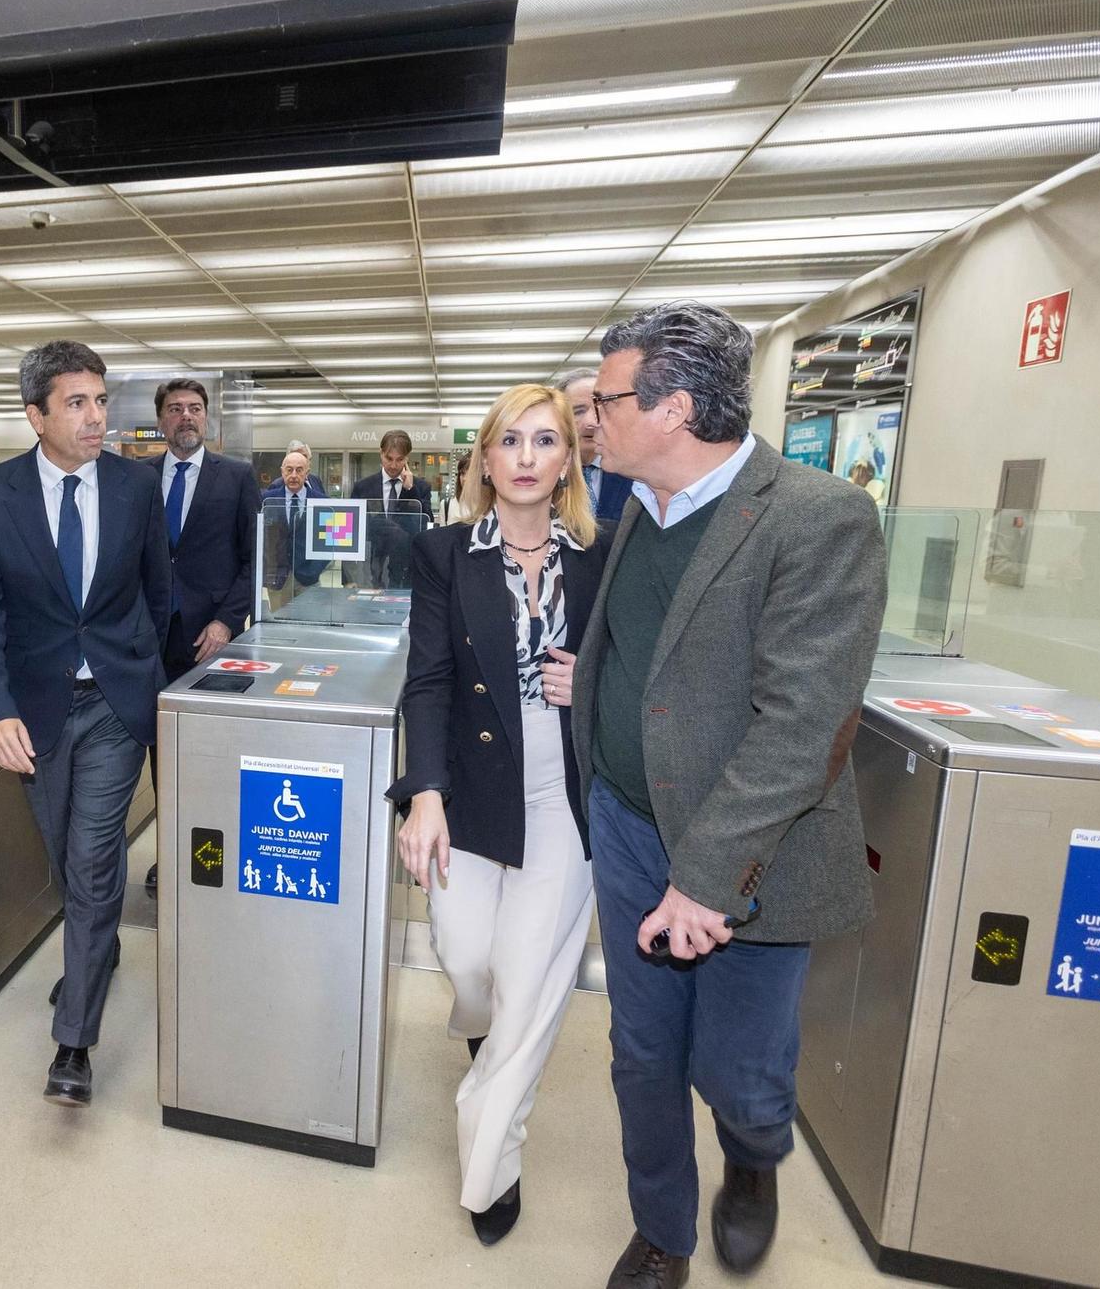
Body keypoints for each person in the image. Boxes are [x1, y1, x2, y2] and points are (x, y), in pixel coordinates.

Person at [571, 302, 887, 1288]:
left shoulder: (816, 517)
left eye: (606, 397)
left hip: (751, 855)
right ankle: (661, 1228)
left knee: (739, 1073)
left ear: (670, 409)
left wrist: (706, 878)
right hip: (626, 829)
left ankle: (752, 1159)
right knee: (640, 1053)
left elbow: (803, 723)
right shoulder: (636, 511)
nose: (591, 414)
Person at [387, 383, 610, 1248]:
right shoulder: (443, 553)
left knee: (528, 990)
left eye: (544, 441)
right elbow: (429, 678)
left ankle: (492, 1163)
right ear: (484, 458)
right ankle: (479, 1032)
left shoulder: (603, 554)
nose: (524, 456)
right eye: (508, 440)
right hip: (469, 789)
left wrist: (584, 679)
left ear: (567, 462)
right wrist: (426, 793)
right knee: (469, 962)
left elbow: (639, 680)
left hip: (563, 791)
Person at [0, 340, 171, 1109]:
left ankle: (74, 1041)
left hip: (114, 703)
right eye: (76, 403)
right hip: (36, 710)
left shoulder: (136, 487)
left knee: (91, 862)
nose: (96, 416)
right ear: (35, 415)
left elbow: (158, 591)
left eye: (101, 400)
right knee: (65, 856)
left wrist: (138, 667)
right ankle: (98, 945)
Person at [144, 378, 259, 894]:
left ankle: (212, 850)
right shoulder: (137, 478)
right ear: (162, 420)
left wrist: (227, 622)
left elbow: (253, 560)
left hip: (211, 641)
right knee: (159, 753)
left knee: (211, 753)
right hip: (148, 640)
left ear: (206, 419)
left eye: (194, 408)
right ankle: (168, 852)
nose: (185, 417)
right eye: (175, 409)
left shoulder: (235, 478)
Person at [352, 430, 434, 587]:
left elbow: (425, 523)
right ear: (381, 454)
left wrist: (411, 490)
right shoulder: (363, 487)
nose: (394, 465)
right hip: (371, 566)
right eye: (389, 458)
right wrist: (349, 577)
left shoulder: (420, 488)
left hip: (406, 568)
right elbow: (352, 532)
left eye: (400, 460)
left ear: (407, 458)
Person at [563, 367, 636, 521]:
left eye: (600, 410)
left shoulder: (634, 475)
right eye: (578, 411)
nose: (592, 422)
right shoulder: (545, 476)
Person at [260, 450, 323, 611]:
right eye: (289, 470)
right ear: (282, 472)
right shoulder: (267, 500)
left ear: (307, 473)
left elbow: (329, 543)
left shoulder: (321, 502)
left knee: (310, 627)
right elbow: (260, 539)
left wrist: (315, 569)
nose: (294, 475)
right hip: (278, 579)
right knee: (281, 630)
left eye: (299, 470)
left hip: (309, 577)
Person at [445, 451, 479, 522]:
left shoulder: (491, 507)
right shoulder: (447, 505)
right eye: (462, 473)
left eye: (470, 473)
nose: (464, 479)